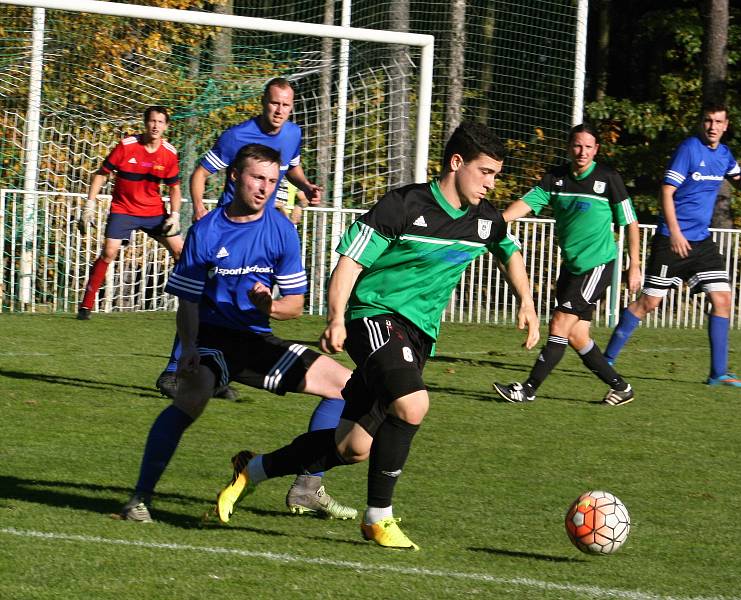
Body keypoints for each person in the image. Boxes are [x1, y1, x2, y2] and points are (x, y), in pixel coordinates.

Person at [212, 122, 541, 551]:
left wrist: (528, 304)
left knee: (352, 447)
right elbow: (349, 263)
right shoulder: (404, 204)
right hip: (374, 318)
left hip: (418, 337)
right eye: (485, 172)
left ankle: (251, 470)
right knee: (414, 403)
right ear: (456, 163)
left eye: (495, 174)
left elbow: (509, 254)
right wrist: (335, 318)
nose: (491, 184)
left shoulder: (484, 221)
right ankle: (378, 518)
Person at [119, 144, 356, 523]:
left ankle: (307, 487)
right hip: (214, 340)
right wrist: (189, 349)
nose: (265, 188)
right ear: (234, 177)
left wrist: (269, 307)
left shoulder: (280, 229)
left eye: (273, 181)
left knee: (348, 387)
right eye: (257, 178)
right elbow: (189, 302)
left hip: (257, 341)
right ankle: (139, 500)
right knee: (190, 400)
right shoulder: (206, 231)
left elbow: (293, 305)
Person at [156, 77, 321, 399]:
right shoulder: (236, 137)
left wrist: (306, 186)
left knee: (240, 301)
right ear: (263, 102)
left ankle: (219, 370)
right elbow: (201, 174)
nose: (280, 111)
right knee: (202, 297)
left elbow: (291, 169)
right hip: (228, 228)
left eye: (286, 105)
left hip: (264, 226)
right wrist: (201, 208)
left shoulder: (292, 134)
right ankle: (175, 369)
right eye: (274, 103)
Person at [603, 102, 741, 387]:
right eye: (708, 121)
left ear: (726, 126)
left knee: (723, 299)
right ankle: (606, 360)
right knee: (649, 302)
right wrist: (675, 232)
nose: (712, 126)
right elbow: (666, 191)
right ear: (702, 123)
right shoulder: (689, 149)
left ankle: (718, 374)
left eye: (718, 122)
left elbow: (738, 179)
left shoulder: (724, 155)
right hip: (671, 241)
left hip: (701, 243)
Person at [492, 124, 641, 407]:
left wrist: (635, 265)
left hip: (598, 266)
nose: (582, 151)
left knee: (559, 324)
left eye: (588, 146)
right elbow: (525, 203)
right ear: (569, 147)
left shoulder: (608, 178)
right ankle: (621, 388)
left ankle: (528, 389)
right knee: (576, 335)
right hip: (571, 268)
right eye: (577, 145)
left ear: (596, 149)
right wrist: (497, 223)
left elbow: (630, 222)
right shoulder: (556, 178)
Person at [76, 106, 183, 320]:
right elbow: (101, 175)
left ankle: (195, 303)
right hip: (123, 209)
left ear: (166, 126)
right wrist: (89, 204)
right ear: (145, 123)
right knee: (109, 252)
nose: (155, 126)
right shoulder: (126, 146)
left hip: (154, 212)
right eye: (152, 121)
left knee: (182, 252)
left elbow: (174, 188)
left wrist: (175, 215)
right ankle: (86, 306)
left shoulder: (169, 154)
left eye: (160, 122)